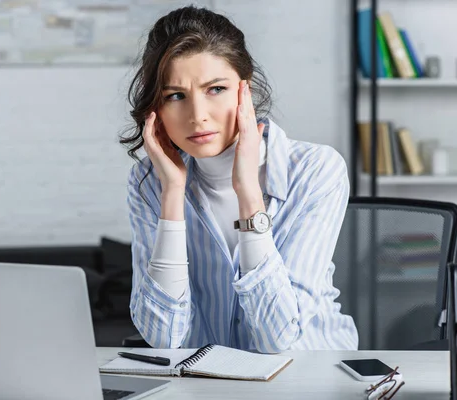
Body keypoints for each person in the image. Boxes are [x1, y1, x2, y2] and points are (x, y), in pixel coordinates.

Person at [119, 5, 358, 353]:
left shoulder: (316, 170)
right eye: (175, 96)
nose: (198, 116)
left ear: (243, 91)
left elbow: (276, 339)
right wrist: (172, 193)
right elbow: (163, 337)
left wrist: (248, 191)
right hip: (210, 382)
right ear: (156, 108)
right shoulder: (149, 182)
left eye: (215, 89)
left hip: (310, 375)